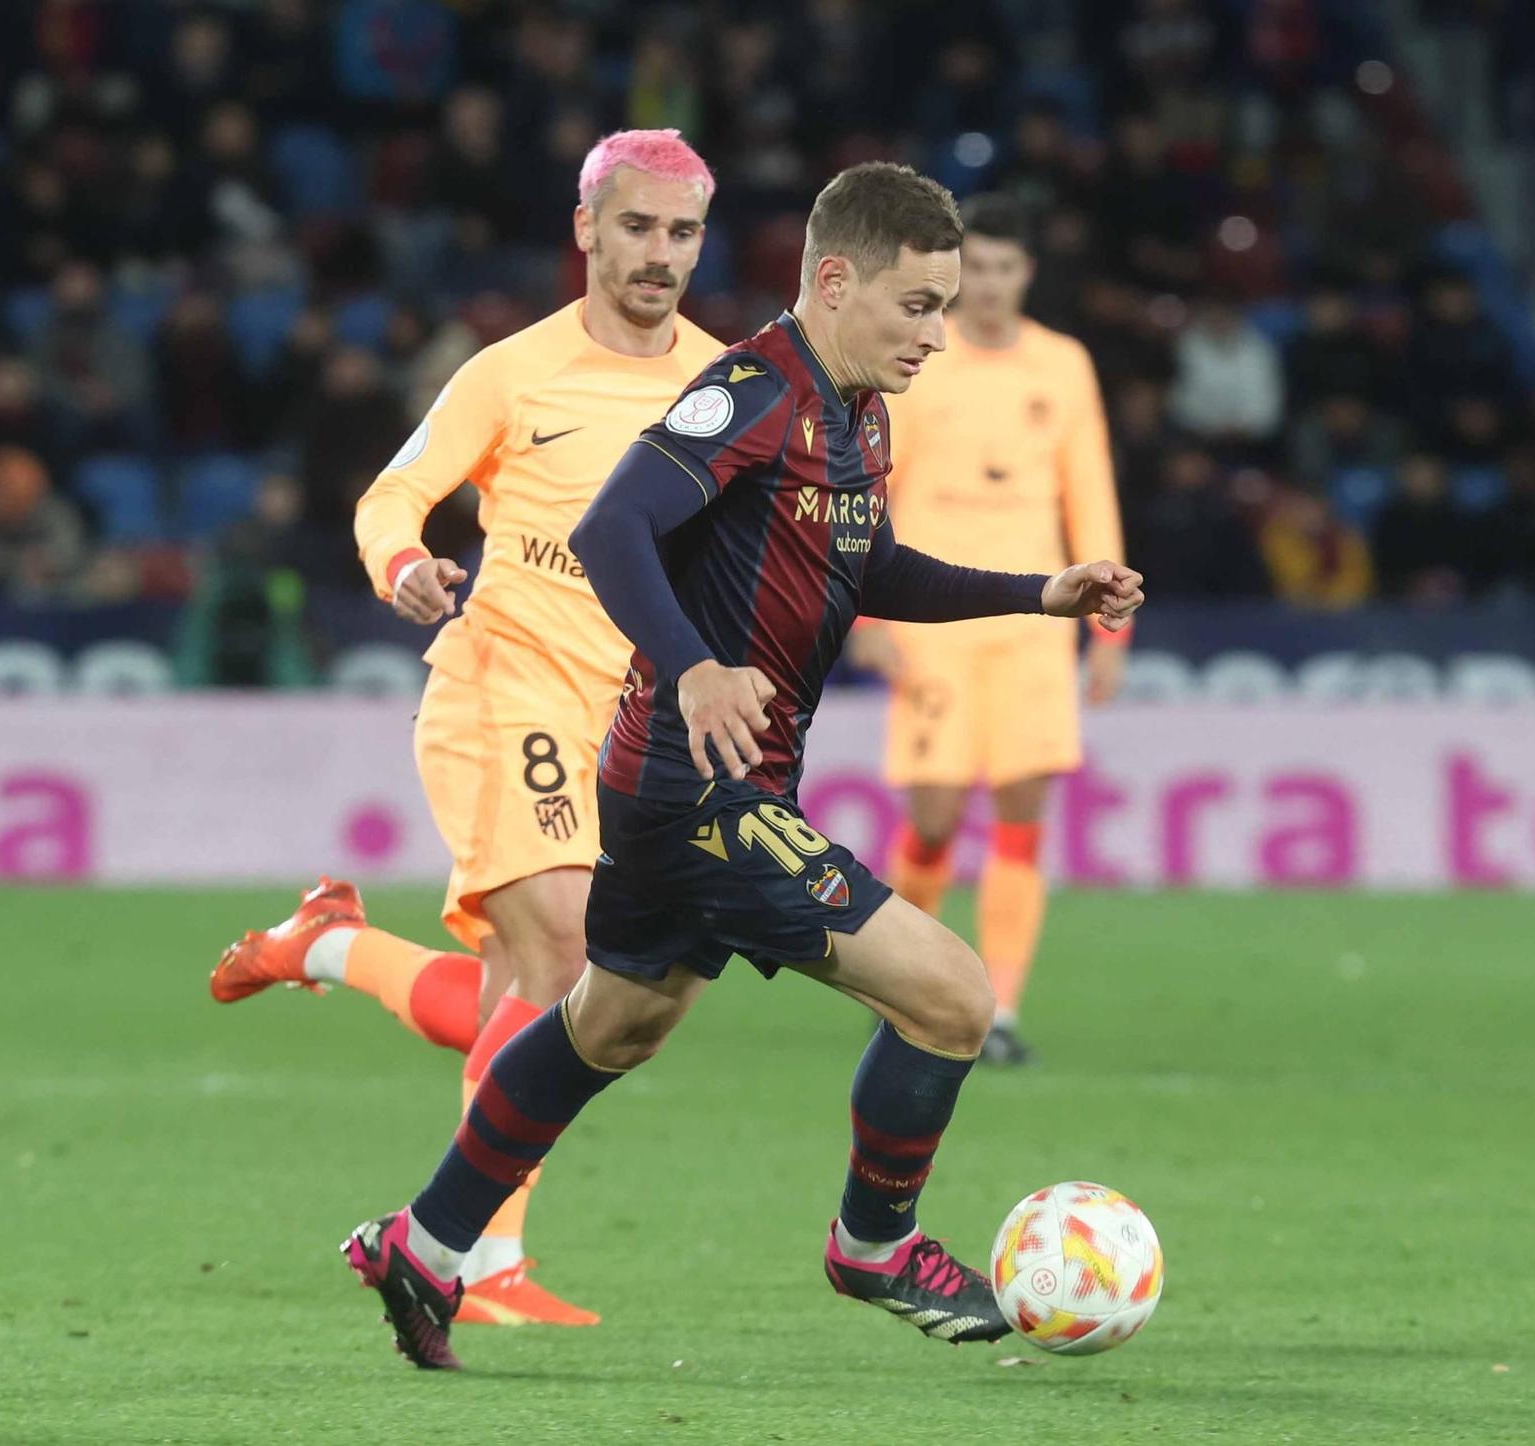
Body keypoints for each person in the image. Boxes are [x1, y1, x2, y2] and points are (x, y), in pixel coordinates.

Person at [339, 162, 1144, 1370]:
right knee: (950, 999)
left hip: (700, 785)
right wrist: (690, 666)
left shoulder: (857, 405)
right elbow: (611, 525)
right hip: (697, 789)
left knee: (611, 1023)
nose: (938, 332)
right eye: (917, 306)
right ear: (834, 281)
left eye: (943, 305)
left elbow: (864, 571)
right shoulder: (753, 391)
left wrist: (1038, 592)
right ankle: (874, 1242)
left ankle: (425, 1243)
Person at [208, 130, 725, 1328]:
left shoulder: (722, 384)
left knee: (558, 1003)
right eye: (635, 226)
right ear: (586, 227)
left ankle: (326, 947)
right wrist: (400, 562)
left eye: (682, 232)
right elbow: (393, 492)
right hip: (506, 683)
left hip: (631, 716)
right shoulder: (512, 371)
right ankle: (474, 1260)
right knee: (561, 954)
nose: (657, 254)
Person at [845, 192, 1126, 1066]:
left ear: (1028, 273)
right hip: (934, 616)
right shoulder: (922, 358)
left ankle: (997, 1006)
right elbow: (873, 486)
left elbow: (1089, 489)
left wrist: (1110, 624)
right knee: (931, 818)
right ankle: (909, 985)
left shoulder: (1064, 364)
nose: (993, 286)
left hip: (1039, 618)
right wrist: (862, 608)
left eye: (1009, 268)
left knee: (1023, 815)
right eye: (982, 269)